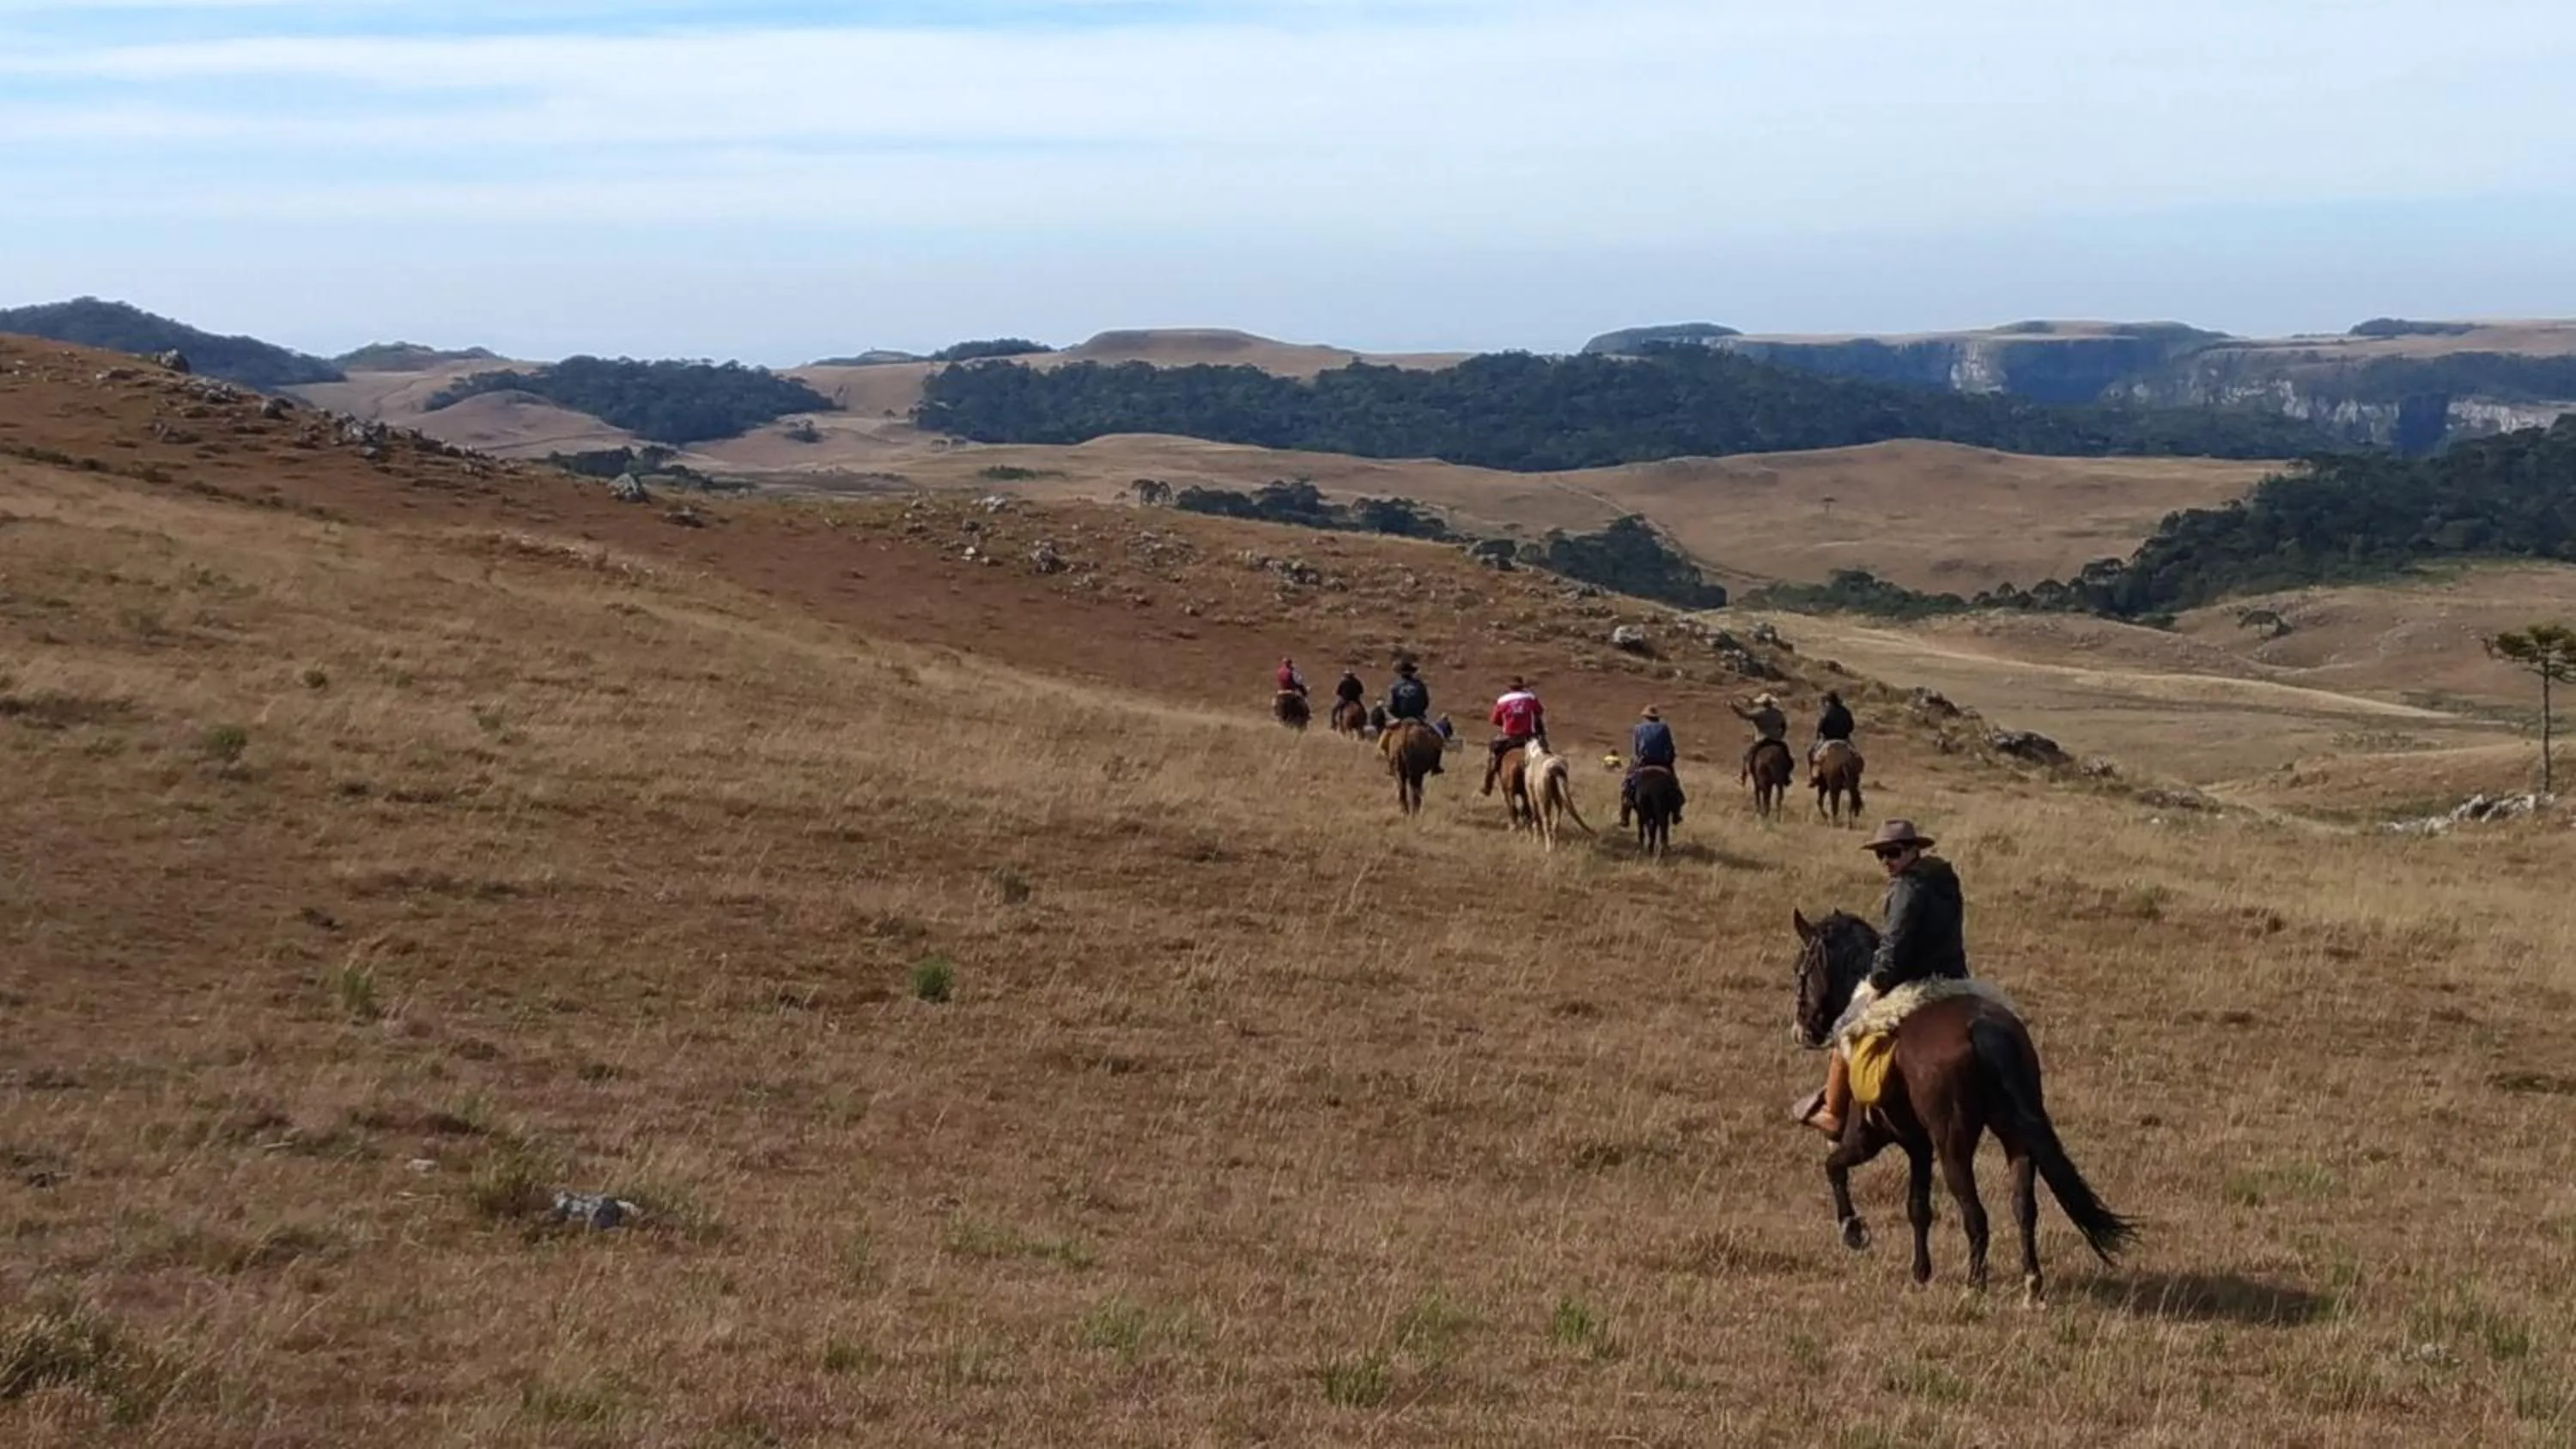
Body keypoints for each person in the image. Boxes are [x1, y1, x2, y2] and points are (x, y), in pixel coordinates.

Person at [1796, 820, 1971, 1138]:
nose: (1886, 861)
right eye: (1880, 856)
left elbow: (1894, 945)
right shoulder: (1945, 880)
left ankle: (1833, 1113)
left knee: (1844, 1028)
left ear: (1914, 851)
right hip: (1956, 978)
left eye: (1893, 853)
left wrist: (1877, 982)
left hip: (1915, 984)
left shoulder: (1907, 887)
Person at [1480, 676, 1547, 796]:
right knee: (1545, 755)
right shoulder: (1530, 697)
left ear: (1509, 688)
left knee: (1493, 757)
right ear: (1522, 686)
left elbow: (1495, 720)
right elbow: (1539, 712)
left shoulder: (1502, 700)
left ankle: (1487, 785)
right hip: (1529, 737)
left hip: (1509, 737)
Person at [1619, 705, 1685, 828]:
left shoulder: (1638, 728)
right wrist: (1669, 760)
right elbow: (1670, 748)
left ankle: (1625, 815)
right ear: (1657, 718)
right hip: (1662, 763)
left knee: (1626, 786)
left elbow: (1635, 750)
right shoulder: (1664, 728)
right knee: (1675, 786)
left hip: (1643, 763)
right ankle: (1676, 813)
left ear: (1645, 717)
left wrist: (1635, 762)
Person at [1382, 659, 1439, 772]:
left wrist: (1396, 715)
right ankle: (1436, 766)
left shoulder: (1395, 686)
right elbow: (1425, 702)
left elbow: (1390, 706)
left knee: (1383, 742)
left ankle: (1391, 763)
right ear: (1412, 672)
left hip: (1401, 719)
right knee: (1437, 740)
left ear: (1400, 672)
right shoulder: (1420, 685)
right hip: (1417, 718)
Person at [1731, 691, 1789, 777]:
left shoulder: (1759, 713)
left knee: (1747, 756)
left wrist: (1735, 708)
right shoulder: (1779, 713)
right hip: (1776, 740)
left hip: (1762, 740)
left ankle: (1742, 776)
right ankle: (1787, 776)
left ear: (1762, 703)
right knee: (1788, 757)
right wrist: (1781, 735)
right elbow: (1784, 726)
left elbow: (1746, 715)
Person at [1811, 689, 1856, 774]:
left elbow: (1821, 726)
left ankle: (1814, 776)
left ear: (1829, 702)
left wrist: (1819, 736)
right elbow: (1851, 726)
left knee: (1814, 756)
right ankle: (1855, 776)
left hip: (1828, 740)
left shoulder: (1827, 712)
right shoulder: (1846, 712)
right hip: (1844, 740)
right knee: (1856, 756)